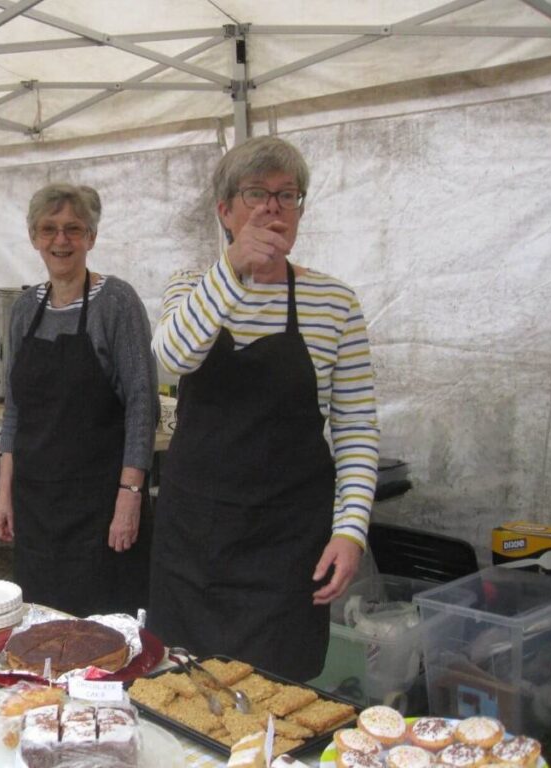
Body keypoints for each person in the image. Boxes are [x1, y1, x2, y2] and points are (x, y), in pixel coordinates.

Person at [149, 136, 380, 681]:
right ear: (225, 211)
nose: (273, 207)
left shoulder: (335, 303)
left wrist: (351, 531)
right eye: (256, 193)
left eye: (288, 195)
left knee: (278, 692)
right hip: (195, 540)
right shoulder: (191, 287)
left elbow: (356, 429)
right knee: (185, 686)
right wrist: (231, 268)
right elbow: (169, 358)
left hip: (285, 544)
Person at [0, 183, 159, 618]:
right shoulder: (25, 308)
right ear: (33, 238)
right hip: (36, 507)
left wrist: (130, 496)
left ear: (91, 237)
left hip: (99, 507)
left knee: (105, 632)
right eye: (49, 229)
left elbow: (142, 405)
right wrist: (3, 493)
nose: (60, 240)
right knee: (41, 627)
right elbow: (14, 411)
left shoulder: (117, 302)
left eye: (73, 229)